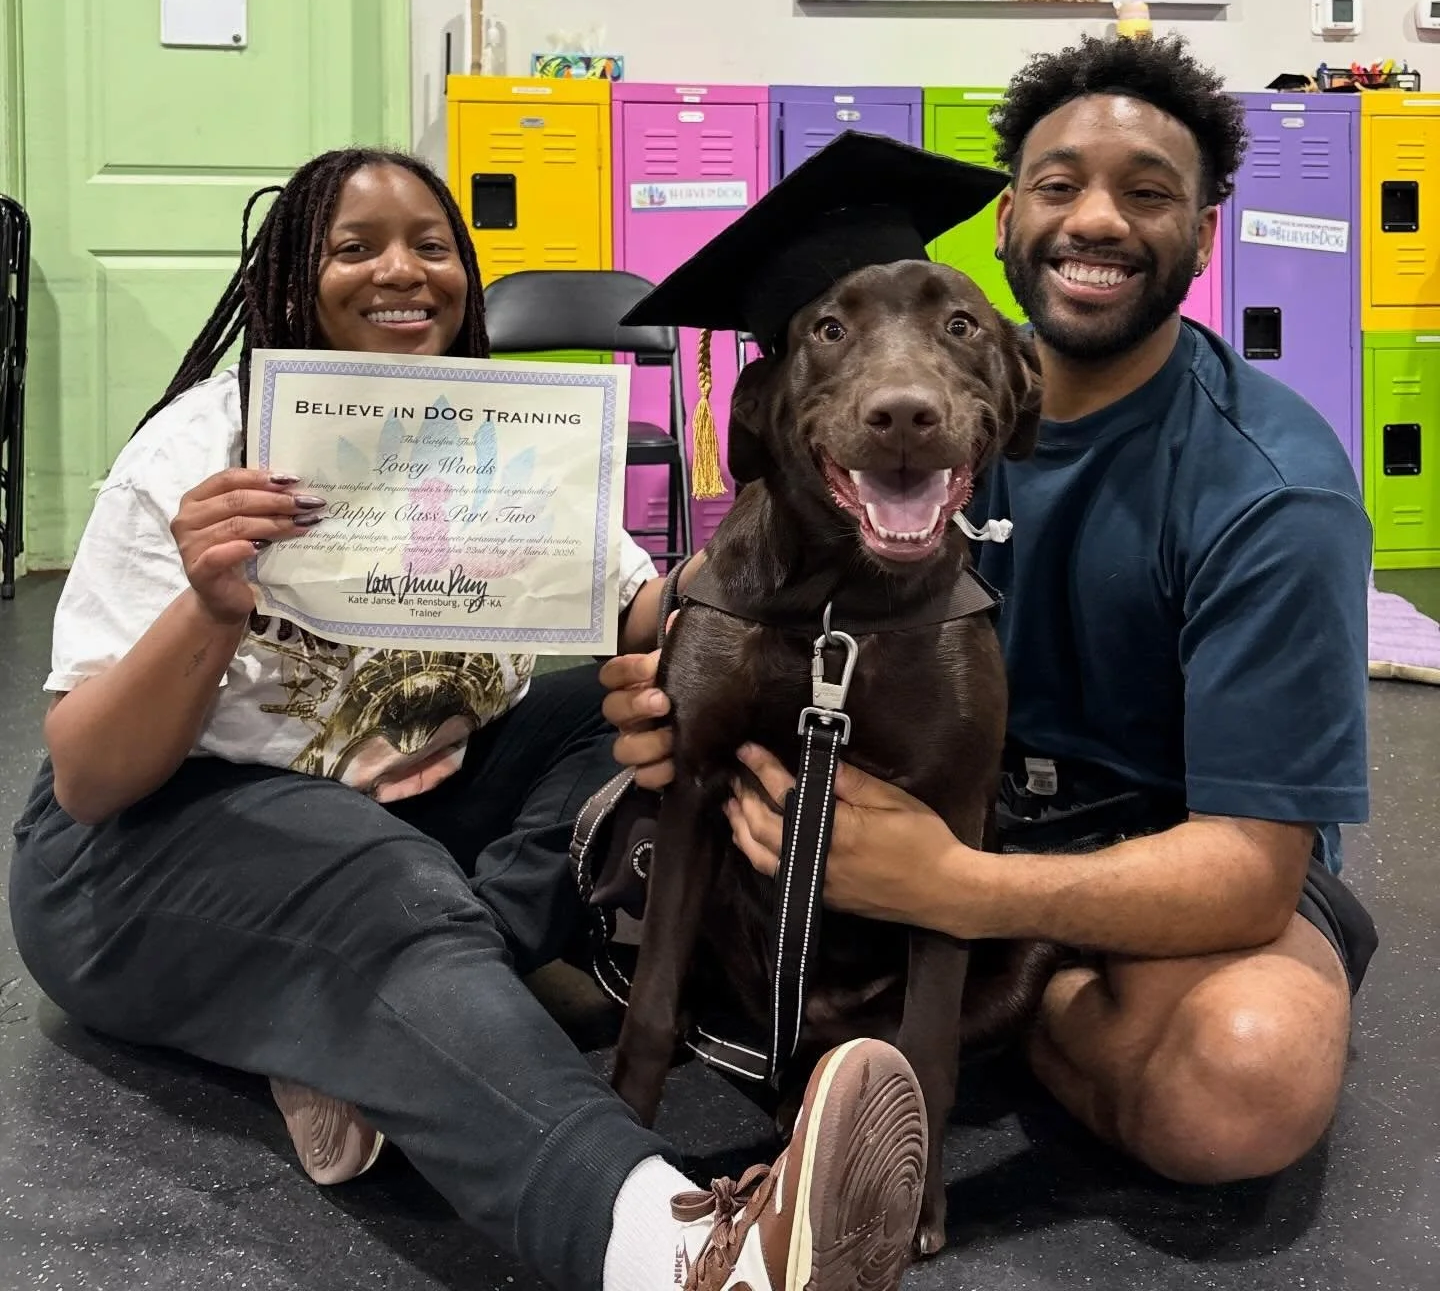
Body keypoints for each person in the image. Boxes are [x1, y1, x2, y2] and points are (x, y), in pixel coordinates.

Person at [9, 145, 938, 1291]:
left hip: (406, 814)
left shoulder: (495, 435)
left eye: (432, 245)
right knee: (376, 882)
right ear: (290, 278)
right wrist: (210, 606)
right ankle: (679, 1248)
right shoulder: (207, 448)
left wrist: (789, 532)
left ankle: (392, 1023)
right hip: (142, 855)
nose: (403, 271)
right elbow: (90, 780)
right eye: (356, 246)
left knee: (627, 721)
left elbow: (642, 614)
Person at [605, 34, 1377, 1189]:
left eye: (1149, 191)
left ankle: (992, 1012)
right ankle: (918, 1015)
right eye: (1061, 185)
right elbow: (735, 569)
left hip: (1160, 845)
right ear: (1010, 216)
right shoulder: (920, 402)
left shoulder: (1273, 489)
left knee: (1243, 1084)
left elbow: (1252, 868)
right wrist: (657, 646)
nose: (1099, 219)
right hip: (938, 791)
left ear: (1205, 234)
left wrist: (953, 889)